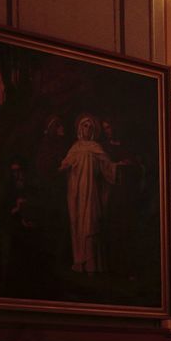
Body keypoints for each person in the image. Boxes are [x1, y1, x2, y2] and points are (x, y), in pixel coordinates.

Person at [59, 113, 118, 274]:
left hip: (91, 193)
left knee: (91, 224)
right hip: (76, 193)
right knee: (78, 224)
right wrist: (62, 167)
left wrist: (117, 166)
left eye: (90, 126)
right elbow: (65, 164)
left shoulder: (96, 148)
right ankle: (80, 261)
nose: (88, 128)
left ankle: (92, 265)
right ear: (80, 128)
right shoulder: (75, 147)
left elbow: (108, 167)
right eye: (85, 125)